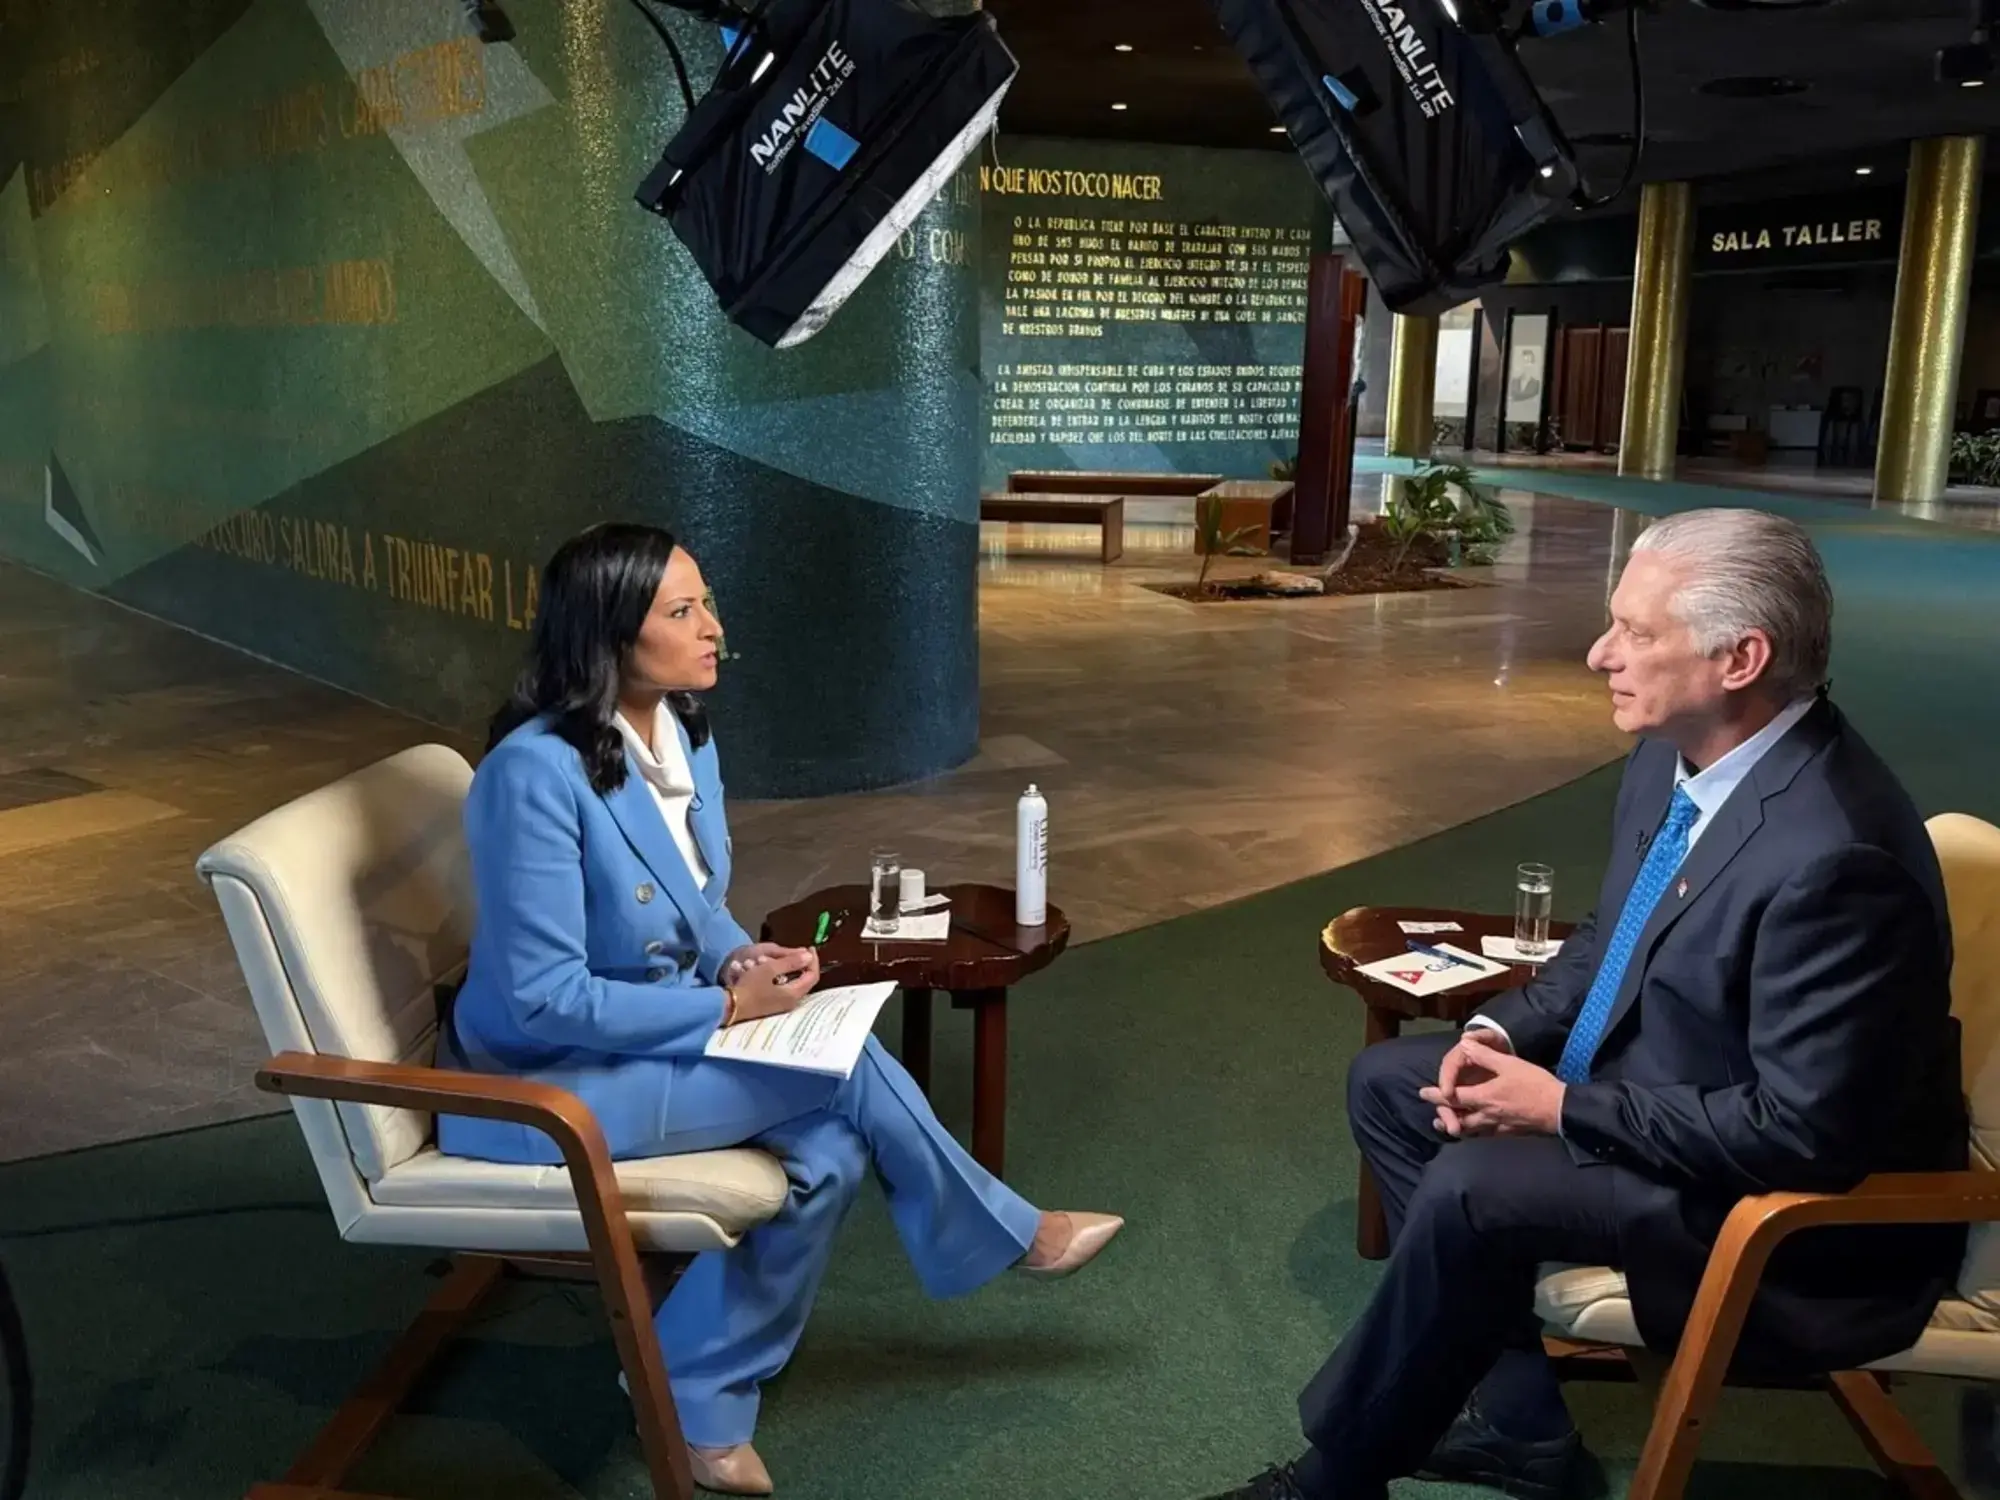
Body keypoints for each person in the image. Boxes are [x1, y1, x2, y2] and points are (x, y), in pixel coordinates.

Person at [1199, 508, 1966, 1500]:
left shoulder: (1836, 854)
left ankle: (1333, 1479)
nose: (1601, 654)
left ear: (1740, 659)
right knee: (1393, 1081)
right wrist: (1492, 1032)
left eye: (1637, 634)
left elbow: (1799, 1133)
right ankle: (1521, 1424)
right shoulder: (1674, 752)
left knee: (1476, 1185)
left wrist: (1557, 1108)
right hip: (1678, 1092)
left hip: (1792, 1210)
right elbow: (1614, 936)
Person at [439, 522, 1122, 1496]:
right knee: (839, 1067)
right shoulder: (532, 774)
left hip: (640, 1037)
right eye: (682, 612)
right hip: (541, 1085)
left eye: (706, 602)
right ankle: (1009, 1234)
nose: (714, 628)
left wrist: (739, 958)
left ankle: (690, 1390)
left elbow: (697, 902)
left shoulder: (680, 730)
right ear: (607, 635)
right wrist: (721, 1014)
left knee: (834, 1151)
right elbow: (541, 1000)